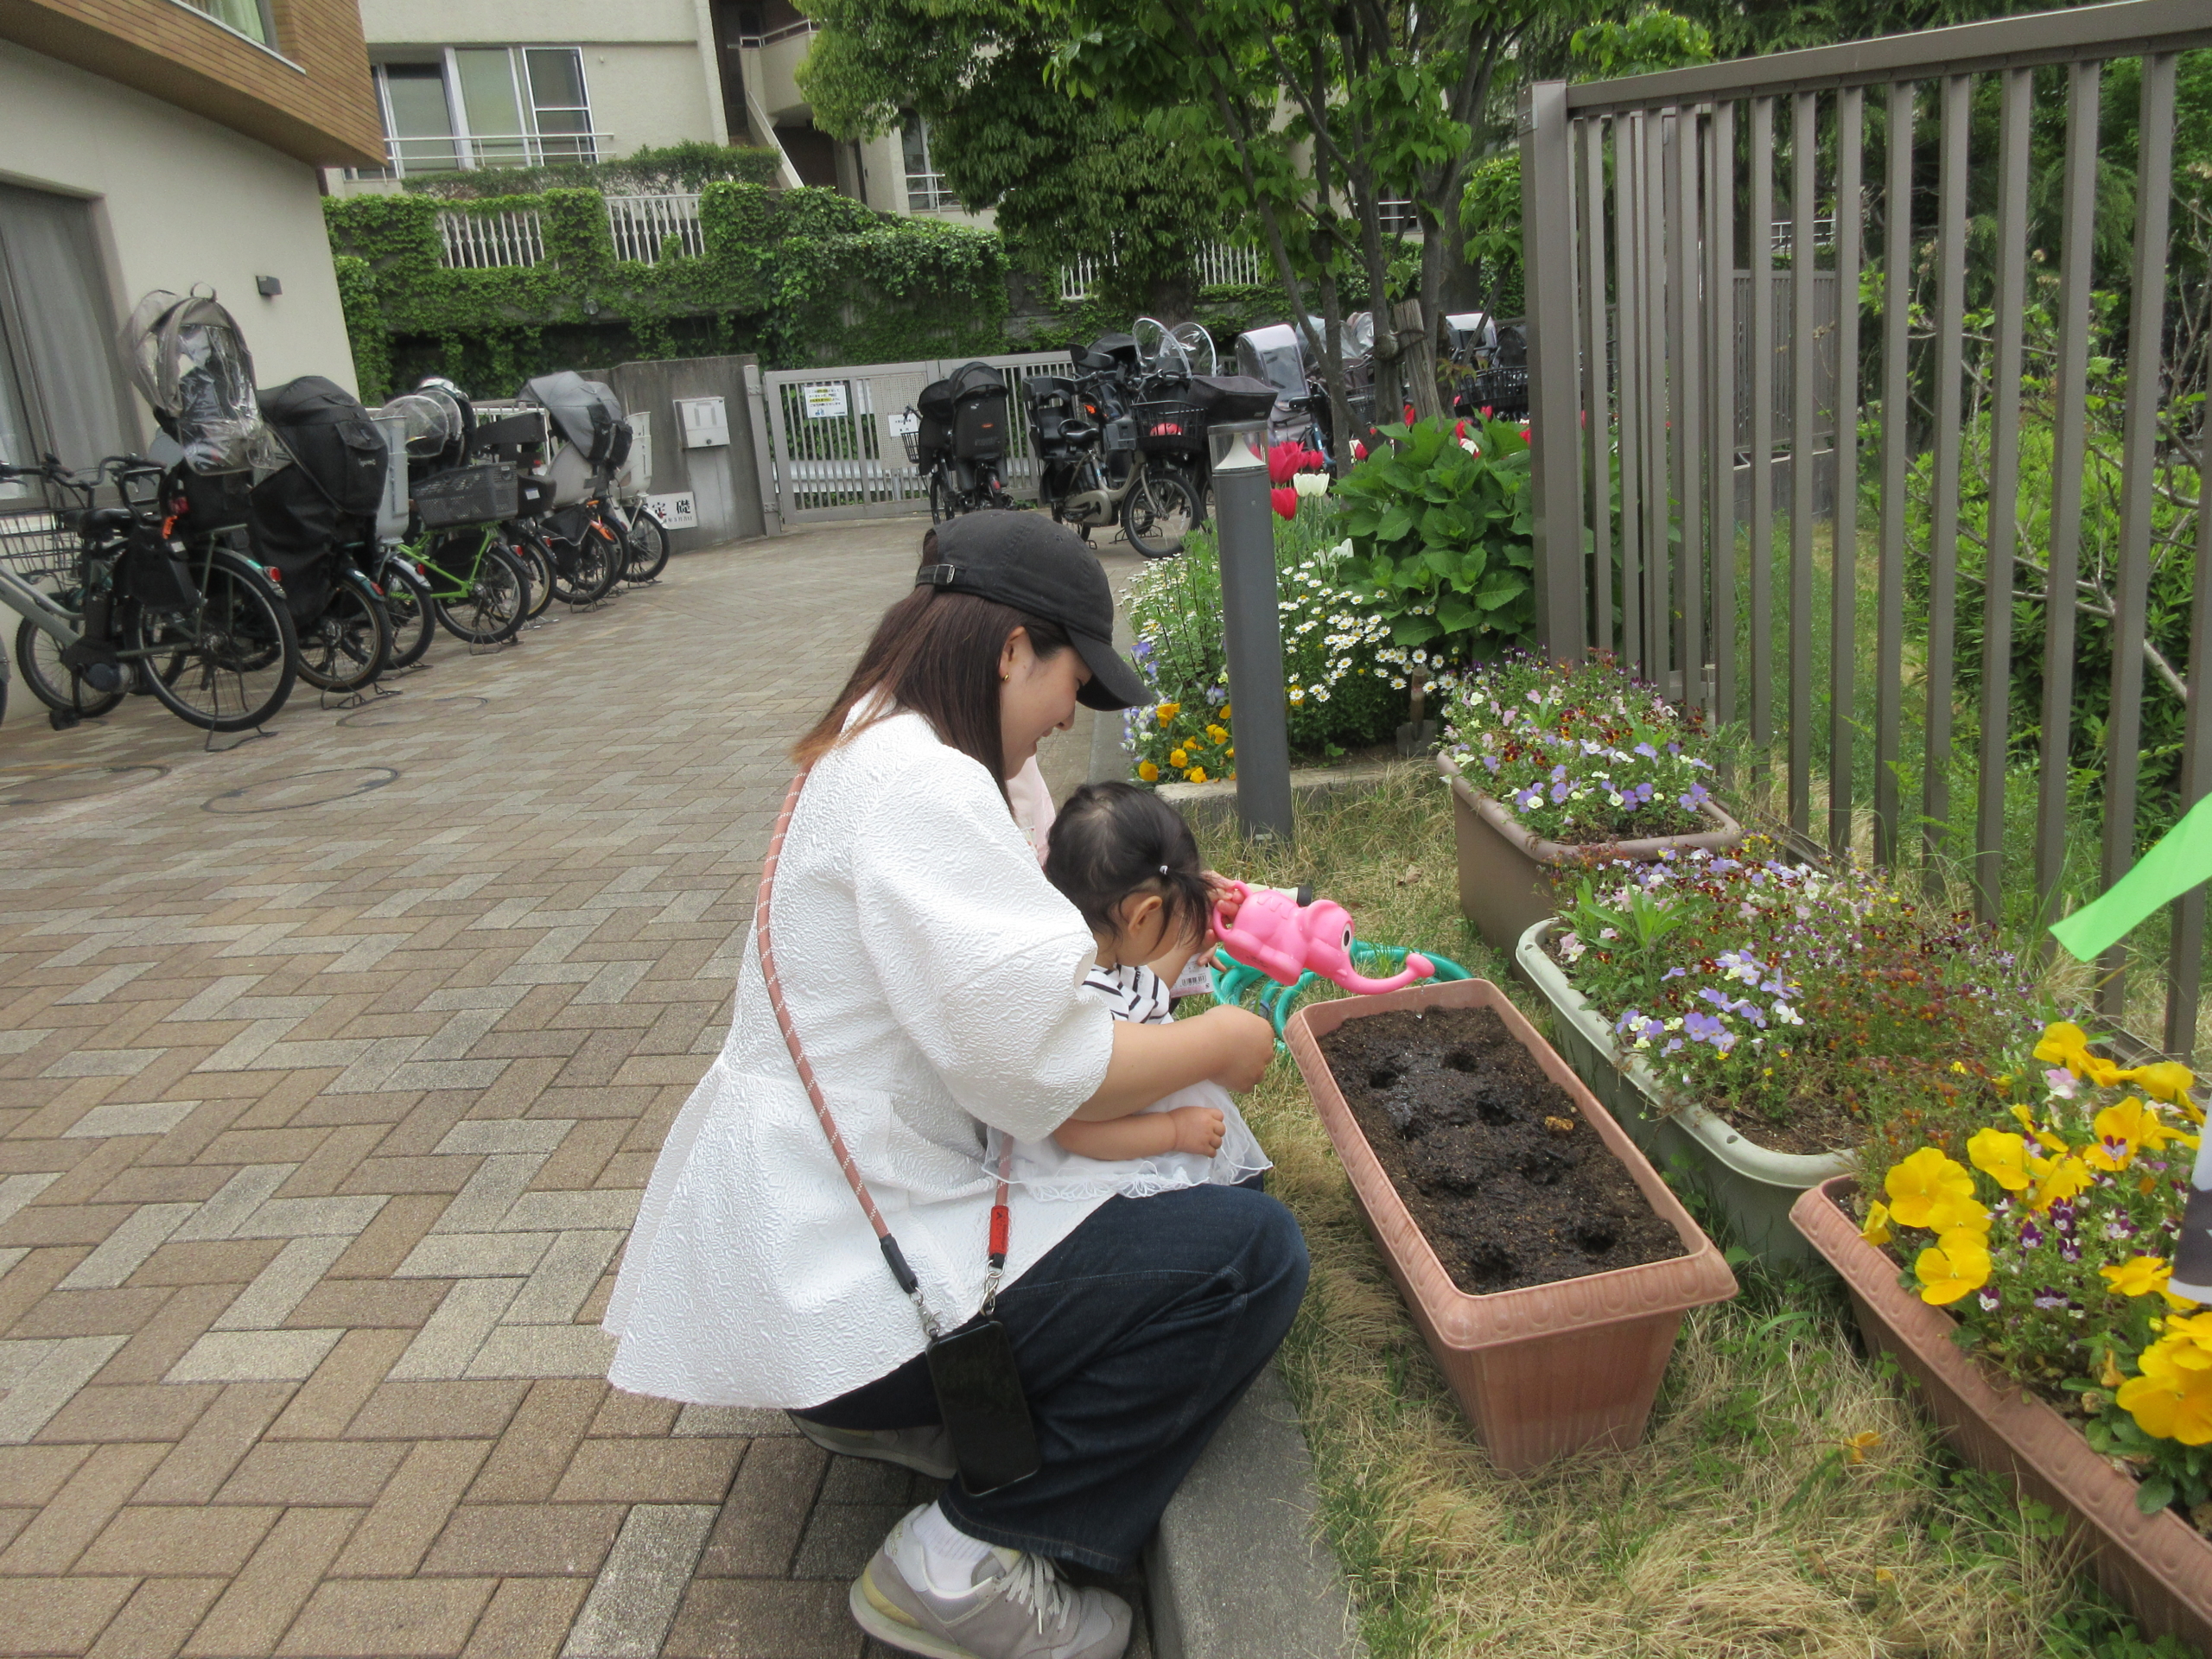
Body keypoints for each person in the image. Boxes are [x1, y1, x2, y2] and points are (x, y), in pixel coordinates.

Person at [603, 512, 1307, 1659]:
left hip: (815, 1263)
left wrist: (1167, 911)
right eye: (1073, 682)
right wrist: (1225, 1044)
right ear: (1011, 649)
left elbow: (1011, 938)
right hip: (863, 1286)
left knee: (1172, 1201)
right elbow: (1056, 1077)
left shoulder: (877, 742)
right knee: (1244, 1255)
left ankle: (934, 1425)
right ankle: (969, 1552)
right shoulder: (921, 785)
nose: (1068, 719)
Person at [995, 781, 1272, 1197]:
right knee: (1228, 1195)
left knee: (1244, 1182)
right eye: (1177, 917)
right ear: (1142, 917)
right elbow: (1074, 1131)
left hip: (1138, 1122)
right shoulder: (1080, 993)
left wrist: (1191, 933)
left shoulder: (1101, 956)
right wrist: (1172, 1130)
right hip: (1107, 1164)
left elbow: (1141, 994)